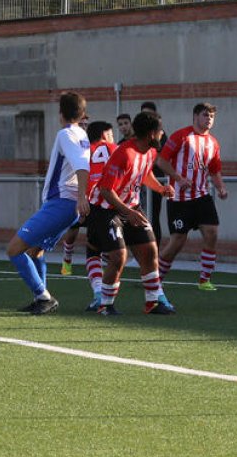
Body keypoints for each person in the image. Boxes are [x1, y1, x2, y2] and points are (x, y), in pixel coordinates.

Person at [6, 92, 91, 315]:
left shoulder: (66, 134)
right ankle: (40, 298)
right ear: (82, 114)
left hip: (61, 204)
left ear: (60, 113)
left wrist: (82, 197)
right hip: (67, 206)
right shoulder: (82, 134)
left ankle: (43, 296)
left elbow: (83, 166)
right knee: (36, 251)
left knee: (14, 248)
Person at [84, 110, 176, 315]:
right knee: (118, 257)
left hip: (130, 208)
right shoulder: (124, 153)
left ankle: (153, 302)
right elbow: (106, 191)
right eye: (160, 131)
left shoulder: (150, 152)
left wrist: (160, 189)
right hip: (106, 210)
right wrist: (128, 212)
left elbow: (144, 174)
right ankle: (105, 305)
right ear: (152, 134)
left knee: (150, 250)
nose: (162, 135)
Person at [156, 102, 229, 291]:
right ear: (195, 116)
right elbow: (161, 161)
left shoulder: (213, 143)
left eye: (212, 116)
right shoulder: (181, 136)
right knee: (178, 241)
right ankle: (155, 279)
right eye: (206, 115)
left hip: (201, 196)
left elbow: (215, 170)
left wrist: (220, 187)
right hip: (179, 199)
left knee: (212, 233)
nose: (209, 119)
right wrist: (178, 178)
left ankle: (204, 280)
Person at [58, 120, 113, 273]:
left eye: (86, 124)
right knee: (74, 229)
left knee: (95, 230)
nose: (84, 127)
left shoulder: (95, 147)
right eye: (82, 124)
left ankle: (101, 256)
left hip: (95, 195)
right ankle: (67, 257)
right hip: (78, 191)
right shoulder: (75, 145)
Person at [139, 101, 167, 243]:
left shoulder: (160, 136)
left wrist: (176, 177)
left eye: (150, 114)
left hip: (154, 181)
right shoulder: (137, 137)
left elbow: (160, 160)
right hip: (139, 182)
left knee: (153, 216)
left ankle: (154, 250)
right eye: (144, 114)